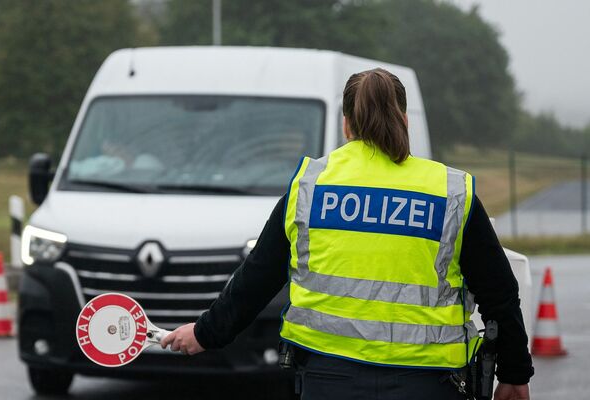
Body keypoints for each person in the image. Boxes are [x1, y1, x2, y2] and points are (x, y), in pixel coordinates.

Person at [161, 68, 533, 400]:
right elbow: (499, 292)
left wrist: (206, 333)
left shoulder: (310, 185)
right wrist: (514, 373)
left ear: (346, 125)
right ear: (404, 120)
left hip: (327, 378)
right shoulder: (451, 191)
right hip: (429, 382)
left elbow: (258, 276)